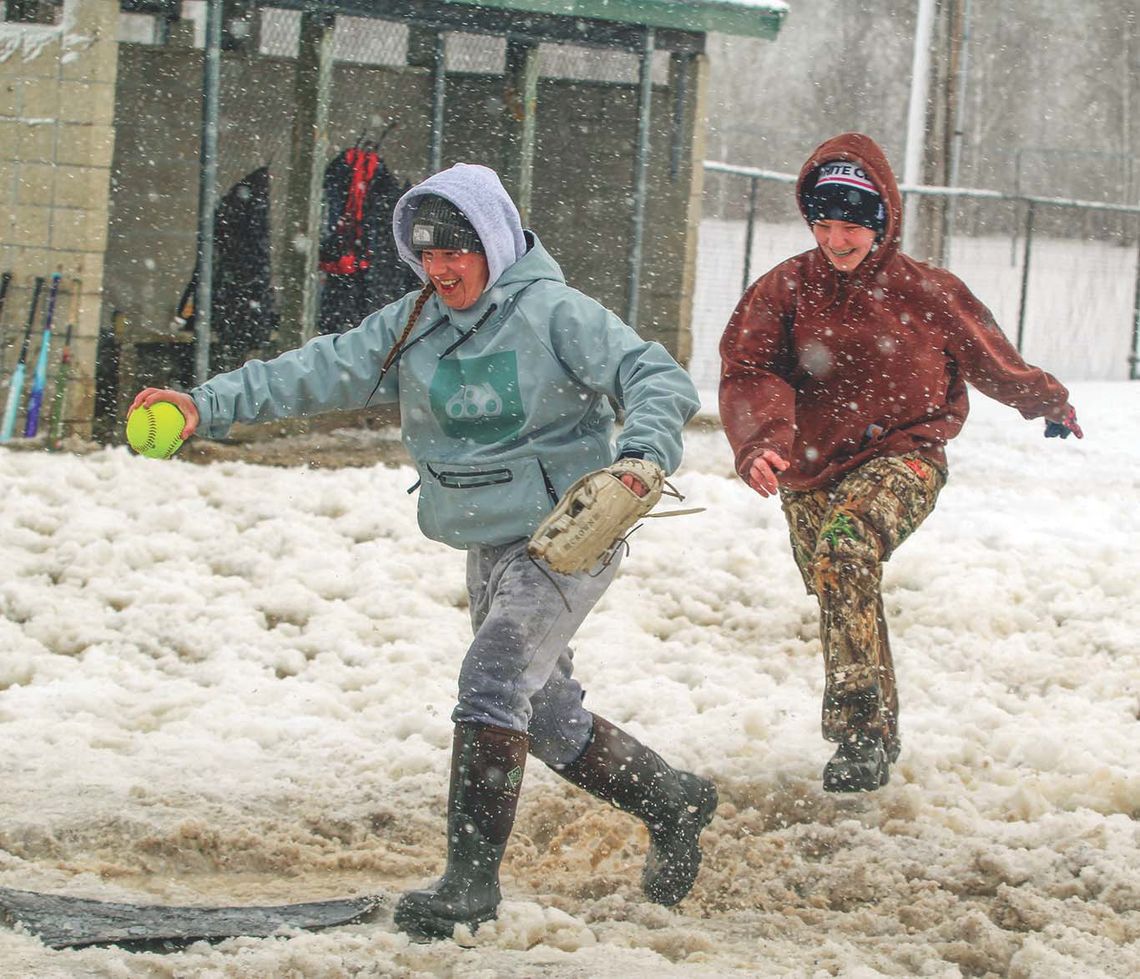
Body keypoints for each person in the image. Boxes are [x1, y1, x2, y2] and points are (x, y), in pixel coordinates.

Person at [131, 162, 717, 939]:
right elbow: (313, 371)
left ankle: (469, 885)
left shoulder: (555, 314)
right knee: (541, 716)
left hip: (568, 533)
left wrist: (642, 457)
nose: (441, 270)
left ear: (497, 242)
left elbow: (656, 374)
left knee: (494, 676)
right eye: (427, 254)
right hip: (486, 537)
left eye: (456, 252)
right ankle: (670, 798)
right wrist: (201, 404)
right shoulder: (413, 324)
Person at [718, 133, 1083, 794]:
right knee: (840, 582)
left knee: (847, 548)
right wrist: (761, 440)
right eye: (823, 224)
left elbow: (990, 357)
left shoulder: (926, 291)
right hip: (807, 467)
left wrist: (1046, 400)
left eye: (851, 225)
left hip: (905, 453)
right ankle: (880, 733)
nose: (836, 239)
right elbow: (749, 369)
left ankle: (854, 732)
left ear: (882, 221)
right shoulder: (786, 289)